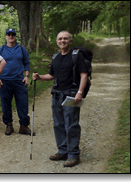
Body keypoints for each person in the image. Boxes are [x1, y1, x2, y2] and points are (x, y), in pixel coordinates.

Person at [32, 31, 87, 167]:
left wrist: (79, 93)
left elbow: (84, 75)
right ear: (57, 42)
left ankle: (73, 154)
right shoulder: (56, 57)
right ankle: (62, 150)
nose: (63, 41)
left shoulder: (76, 56)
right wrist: (39, 77)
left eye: (65, 39)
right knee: (58, 124)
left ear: (70, 41)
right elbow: (51, 76)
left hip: (71, 94)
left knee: (71, 124)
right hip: (57, 94)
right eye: (60, 39)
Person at [0, 28, 34, 136]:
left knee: (23, 103)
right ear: (6, 36)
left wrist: (26, 76)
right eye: (8, 34)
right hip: (5, 81)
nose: (11, 36)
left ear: (16, 36)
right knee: (6, 104)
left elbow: (27, 62)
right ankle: (9, 125)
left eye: (13, 34)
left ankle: (24, 126)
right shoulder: (1, 50)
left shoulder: (21, 49)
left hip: (19, 80)